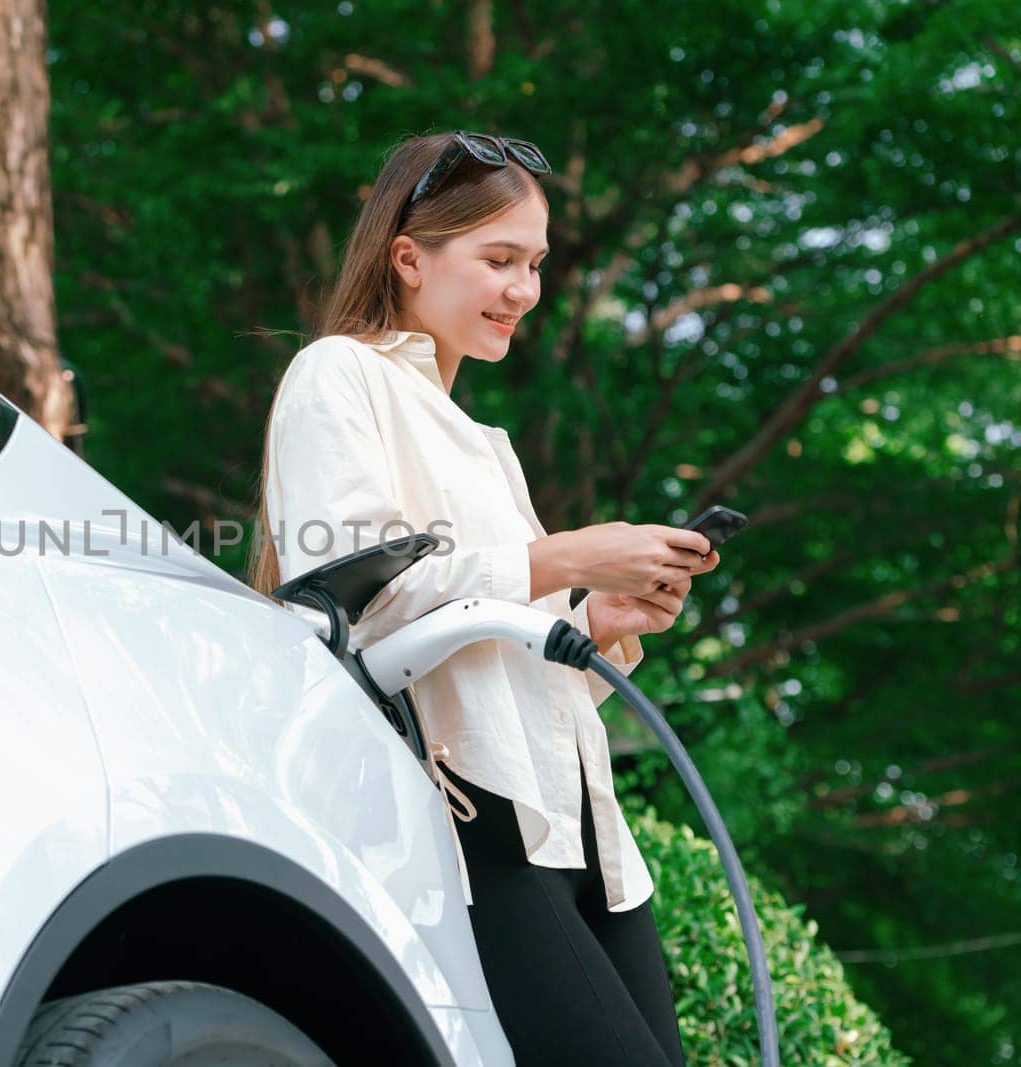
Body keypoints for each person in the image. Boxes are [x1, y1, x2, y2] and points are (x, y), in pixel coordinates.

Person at [247, 131, 720, 1066]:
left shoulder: (479, 438)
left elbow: (499, 667)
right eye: (499, 259)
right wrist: (562, 555)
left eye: (535, 265)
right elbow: (352, 606)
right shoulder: (338, 375)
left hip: (585, 833)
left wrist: (597, 625)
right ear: (409, 257)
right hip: (475, 827)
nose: (524, 290)